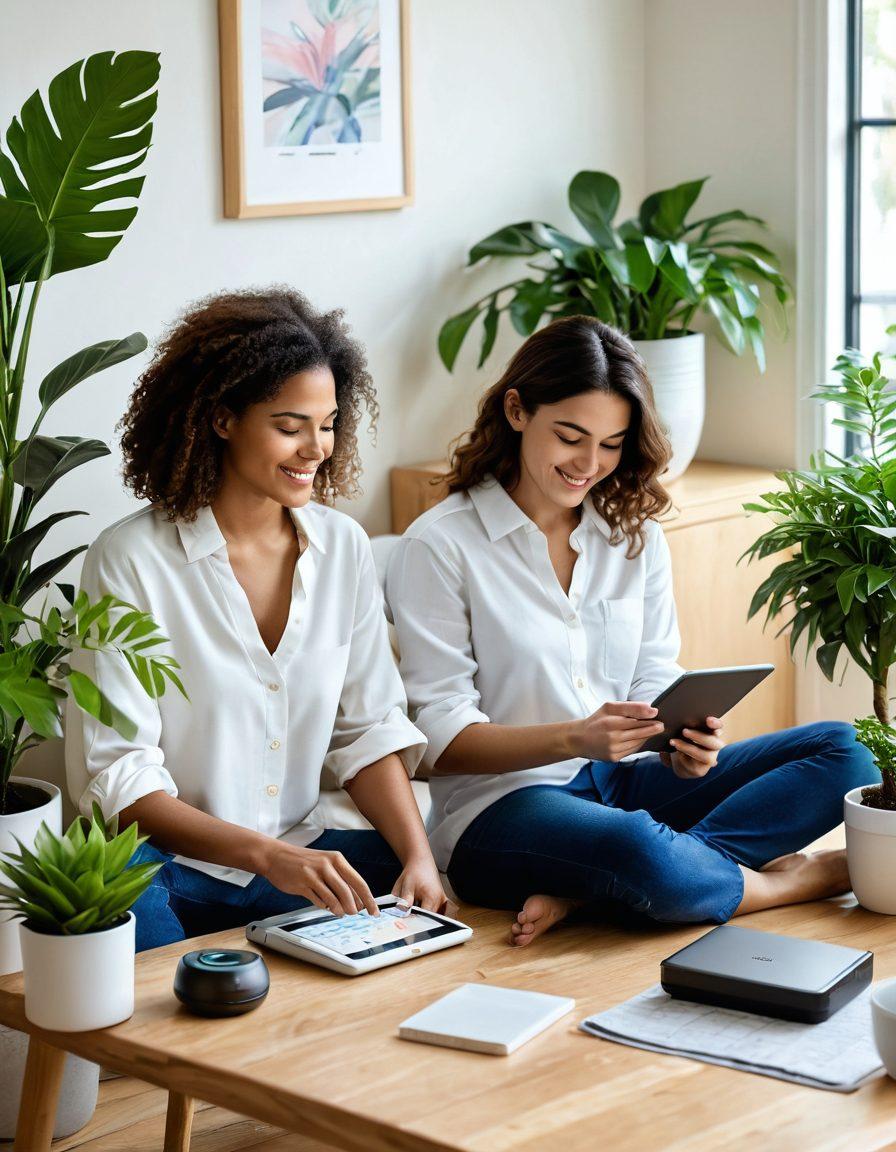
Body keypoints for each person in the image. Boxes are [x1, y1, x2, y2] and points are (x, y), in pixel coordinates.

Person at [385, 315, 877, 946]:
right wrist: (574, 738)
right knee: (635, 848)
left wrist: (684, 739)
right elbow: (437, 739)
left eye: (612, 444)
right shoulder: (439, 545)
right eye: (571, 436)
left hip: (624, 782)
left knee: (847, 753)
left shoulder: (631, 533)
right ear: (516, 410)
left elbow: (652, 671)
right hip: (502, 812)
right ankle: (781, 884)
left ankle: (591, 890)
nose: (589, 464)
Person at [66, 288, 446, 952]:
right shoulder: (130, 560)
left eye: (328, 424)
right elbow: (119, 779)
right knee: (108, 896)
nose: (316, 449)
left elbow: (369, 729)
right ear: (221, 419)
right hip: (170, 867)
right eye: (290, 424)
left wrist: (420, 857)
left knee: (427, 875)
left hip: (301, 856)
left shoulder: (343, 549)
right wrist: (267, 857)